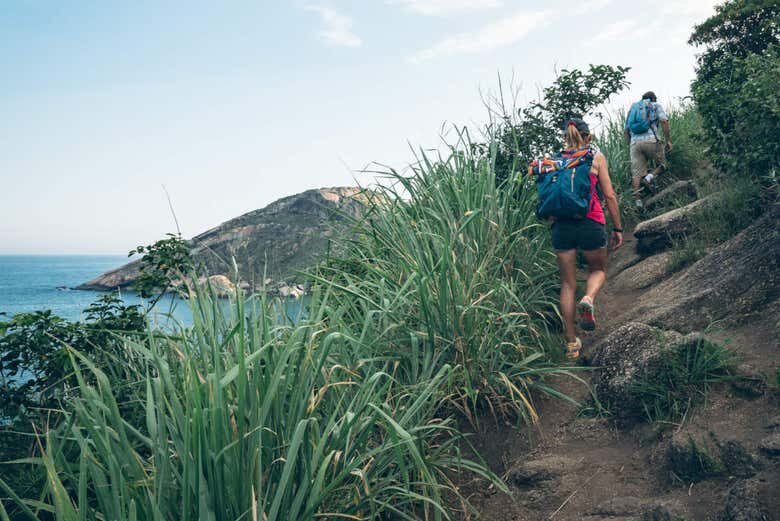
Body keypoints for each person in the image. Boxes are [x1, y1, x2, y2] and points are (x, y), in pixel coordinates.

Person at [552, 119, 623, 359]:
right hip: (590, 221)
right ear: (588, 137)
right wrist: (618, 228)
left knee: (567, 284)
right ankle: (588, 298)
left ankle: (571, 344)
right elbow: (609, 195)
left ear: (565, 137)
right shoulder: (596, 158)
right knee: (598, 270)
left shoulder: (554, 161)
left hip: (561, 226)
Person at [624, 91, 672, 208]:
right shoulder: (655, 105)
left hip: (634, 143)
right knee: (663, 164)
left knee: (636, 174)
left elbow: (626, 130)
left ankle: (638, 202)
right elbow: (664, 121)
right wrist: (668, 140)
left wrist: (631, 144)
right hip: (651, 140)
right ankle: (648, 178)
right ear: (653, 98)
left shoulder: (633, 108)